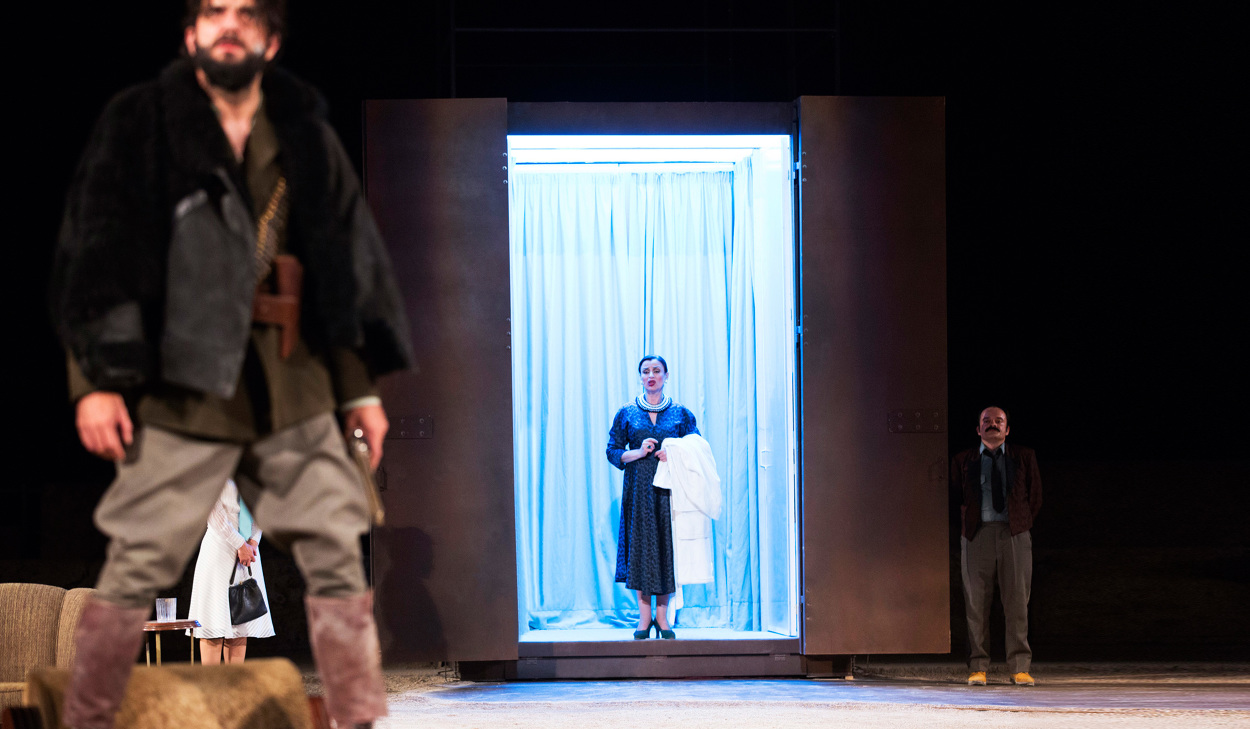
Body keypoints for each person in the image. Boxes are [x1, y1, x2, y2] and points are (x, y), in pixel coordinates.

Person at [49, 0, 413, 726]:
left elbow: (345, 271)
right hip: (186, 382)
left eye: (246, 13)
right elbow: (95, 254)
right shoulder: (140, 126)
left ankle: (355, 719)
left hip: (290, 380)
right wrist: (94, 381)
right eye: (215, 10)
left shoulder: (305, 135)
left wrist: (360, 390)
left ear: (270, 41)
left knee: (335, 549)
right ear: (191, 35)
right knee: (138, 553)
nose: (229, 24)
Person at [606, 356, 700, 640]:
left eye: (656, 371)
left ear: (666, 375)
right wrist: (638, 452)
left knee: (667, 549)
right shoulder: (627, 412)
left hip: (670, 492)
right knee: (641, 550)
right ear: (640, 377)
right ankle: (644, 617)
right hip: (638, 491)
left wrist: (674, 453)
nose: (651, 375)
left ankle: (663, 617)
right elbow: (612, 450)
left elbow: (697, 447)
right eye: (646, 371)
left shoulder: (681, 413)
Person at [950, 407, 1043, 687]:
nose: (993, 425)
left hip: (1013, 533)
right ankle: (978, 667)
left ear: (1007, 429)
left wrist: (1020, 523)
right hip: (977, 535)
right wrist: (968, 529)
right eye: (986, 421)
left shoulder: (1024, 456)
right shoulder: (964, 460)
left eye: (998, 421)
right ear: (978, 429)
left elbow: (1035, 496)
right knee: (975, 603)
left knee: (1017, 602)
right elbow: (955, 497)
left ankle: (1020, 667)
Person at [187, 480, 275, 664]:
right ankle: (211, 682)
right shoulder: (216, 468)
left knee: (241, 620)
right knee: (214, 622)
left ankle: (235, 681)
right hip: (220, 547)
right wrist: (239, 544)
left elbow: (262, 507)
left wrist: (253, 541)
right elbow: (213, 511)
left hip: (249, 550)